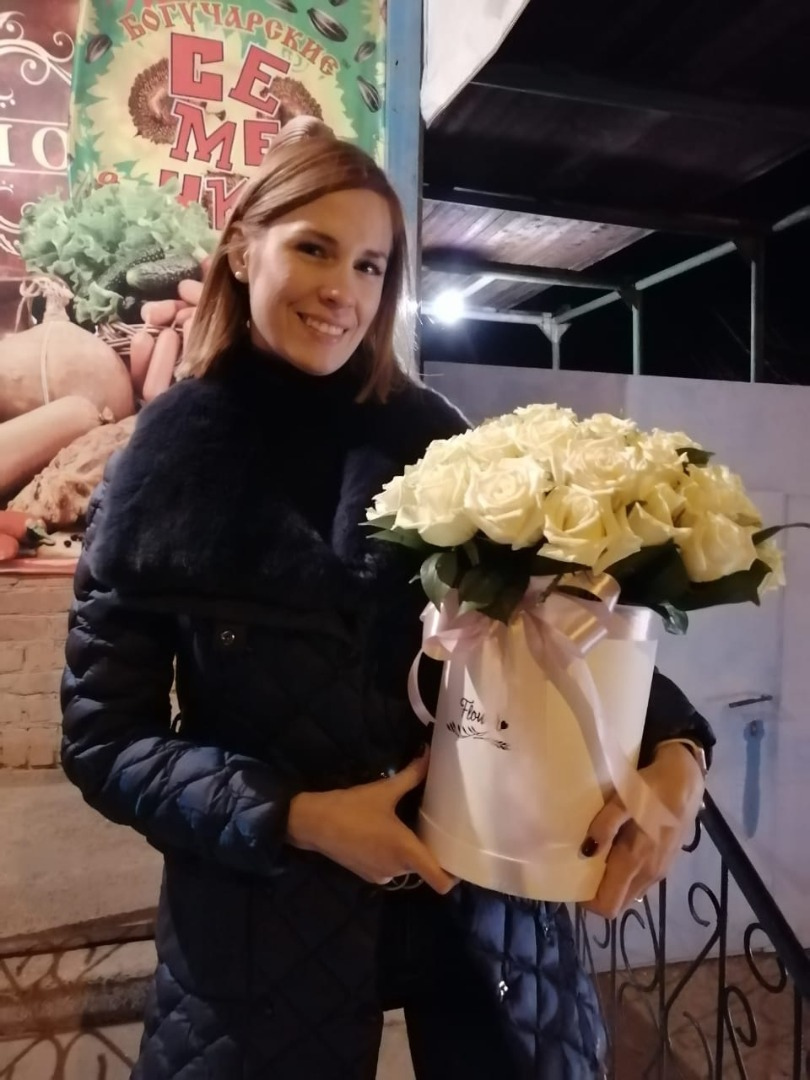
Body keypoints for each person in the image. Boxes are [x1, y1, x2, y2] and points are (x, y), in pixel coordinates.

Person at [61, 123, 715, 1080]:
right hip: (262, 939)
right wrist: (298, 815)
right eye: (314, 249)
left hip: (489, 915)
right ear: (242, 250)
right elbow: (105, 740)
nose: (344, 289)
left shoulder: (439, 442)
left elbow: (559, 624)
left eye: (370, 265)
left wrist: (680, 749)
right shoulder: (162, 466)